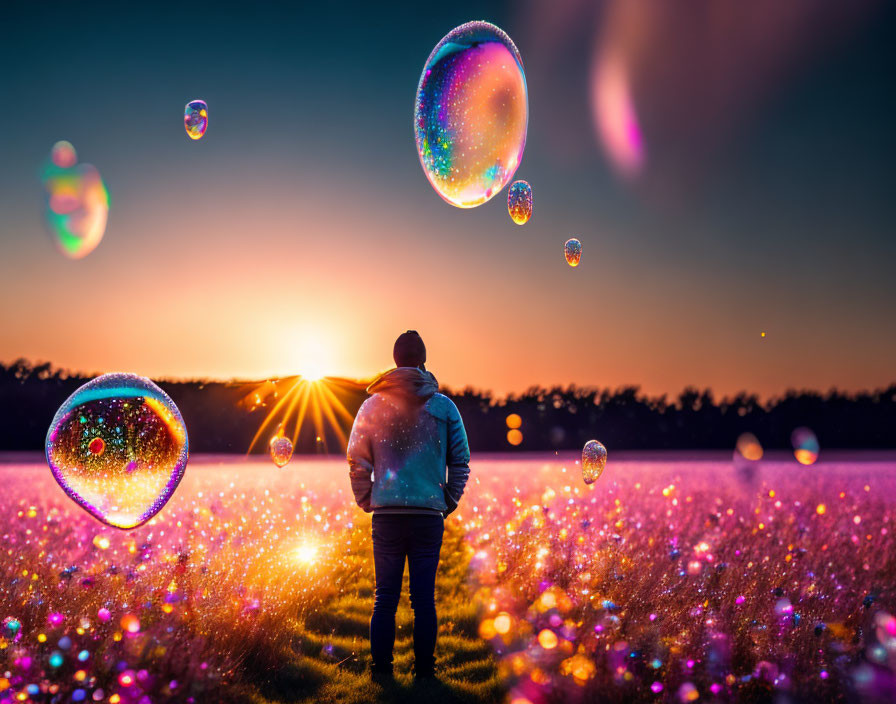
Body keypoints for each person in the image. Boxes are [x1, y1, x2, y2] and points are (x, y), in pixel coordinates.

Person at [347, 330, 471, 681]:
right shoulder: (444, 406)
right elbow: (460, 460)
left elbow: (357, 460)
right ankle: (425, 674)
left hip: (386, 516)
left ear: (395, 359)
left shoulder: (372, 405)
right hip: (428, 517)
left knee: (384, 597)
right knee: (424, 600)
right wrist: (447, 501)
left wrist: (367, 498)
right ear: (423, 360)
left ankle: (381, 673)